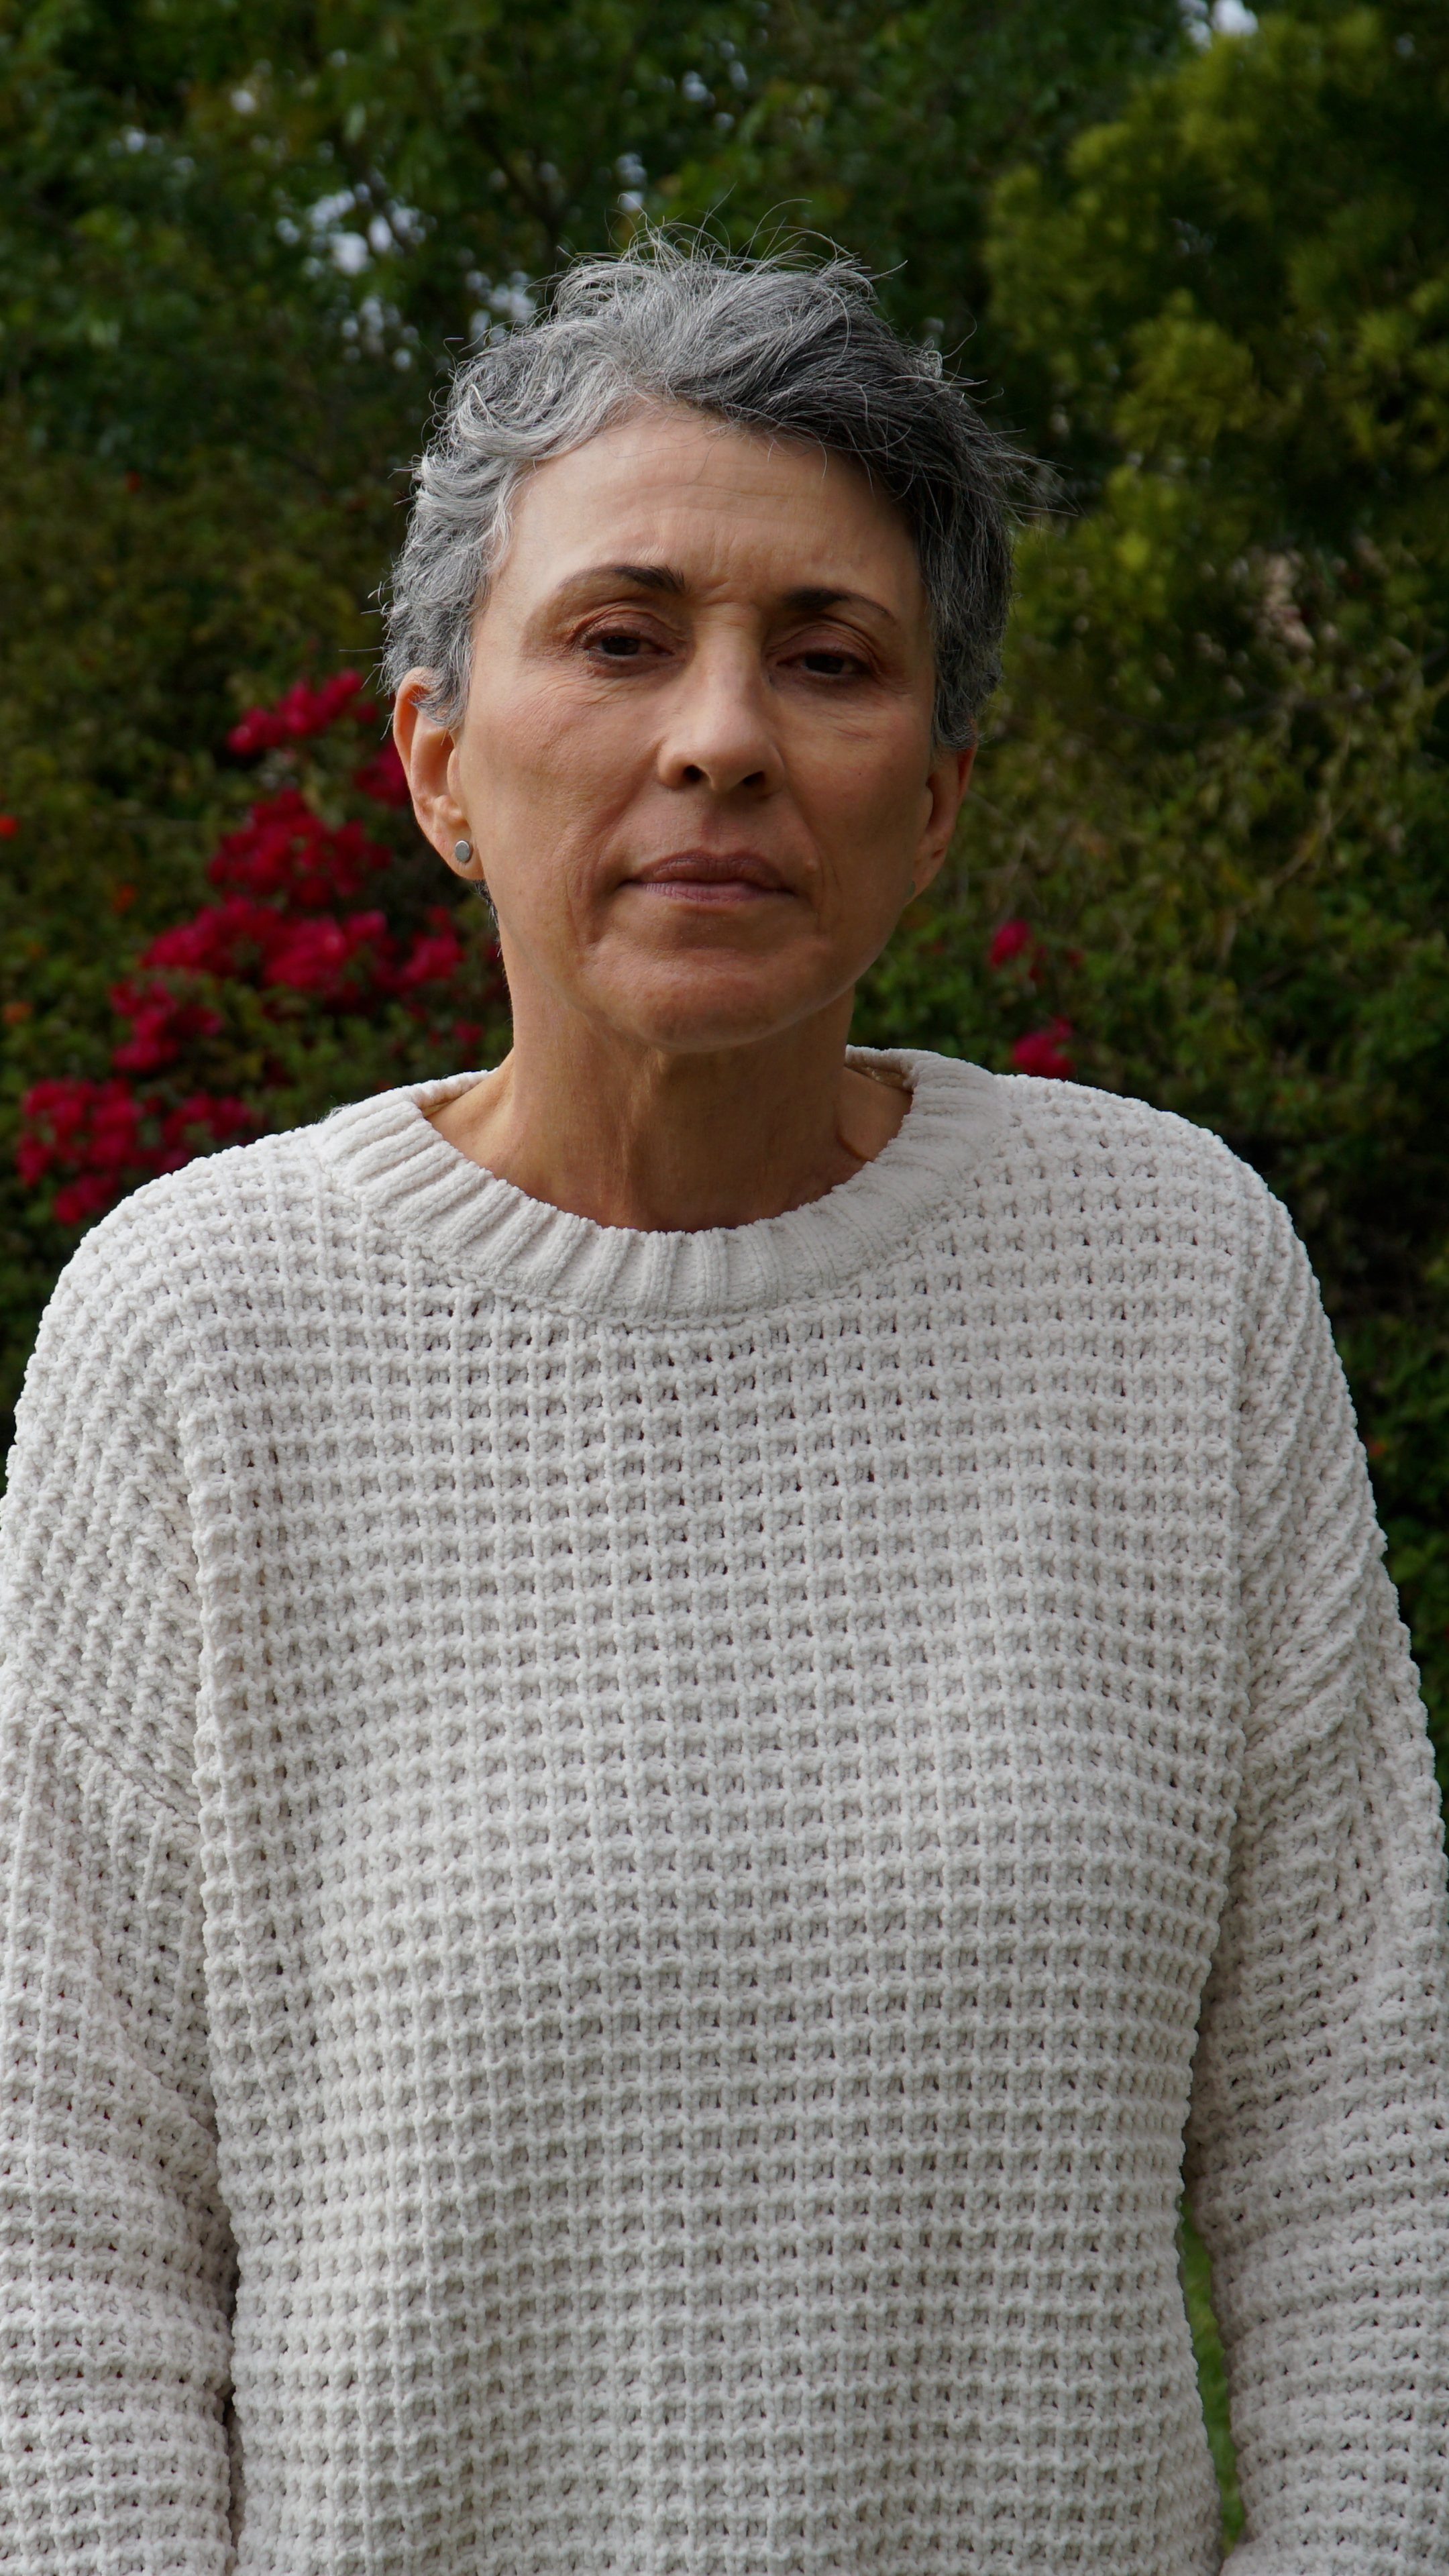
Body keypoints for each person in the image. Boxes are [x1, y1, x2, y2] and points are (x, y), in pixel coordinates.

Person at [1, 238, 1446, 2576]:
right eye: (617, 634)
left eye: (831, 657)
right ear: (438, 758)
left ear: (941, 794)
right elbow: (56, 2239)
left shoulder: (1177, 1276)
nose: (720, 738)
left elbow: (1365, 2149)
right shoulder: (195, 1328)